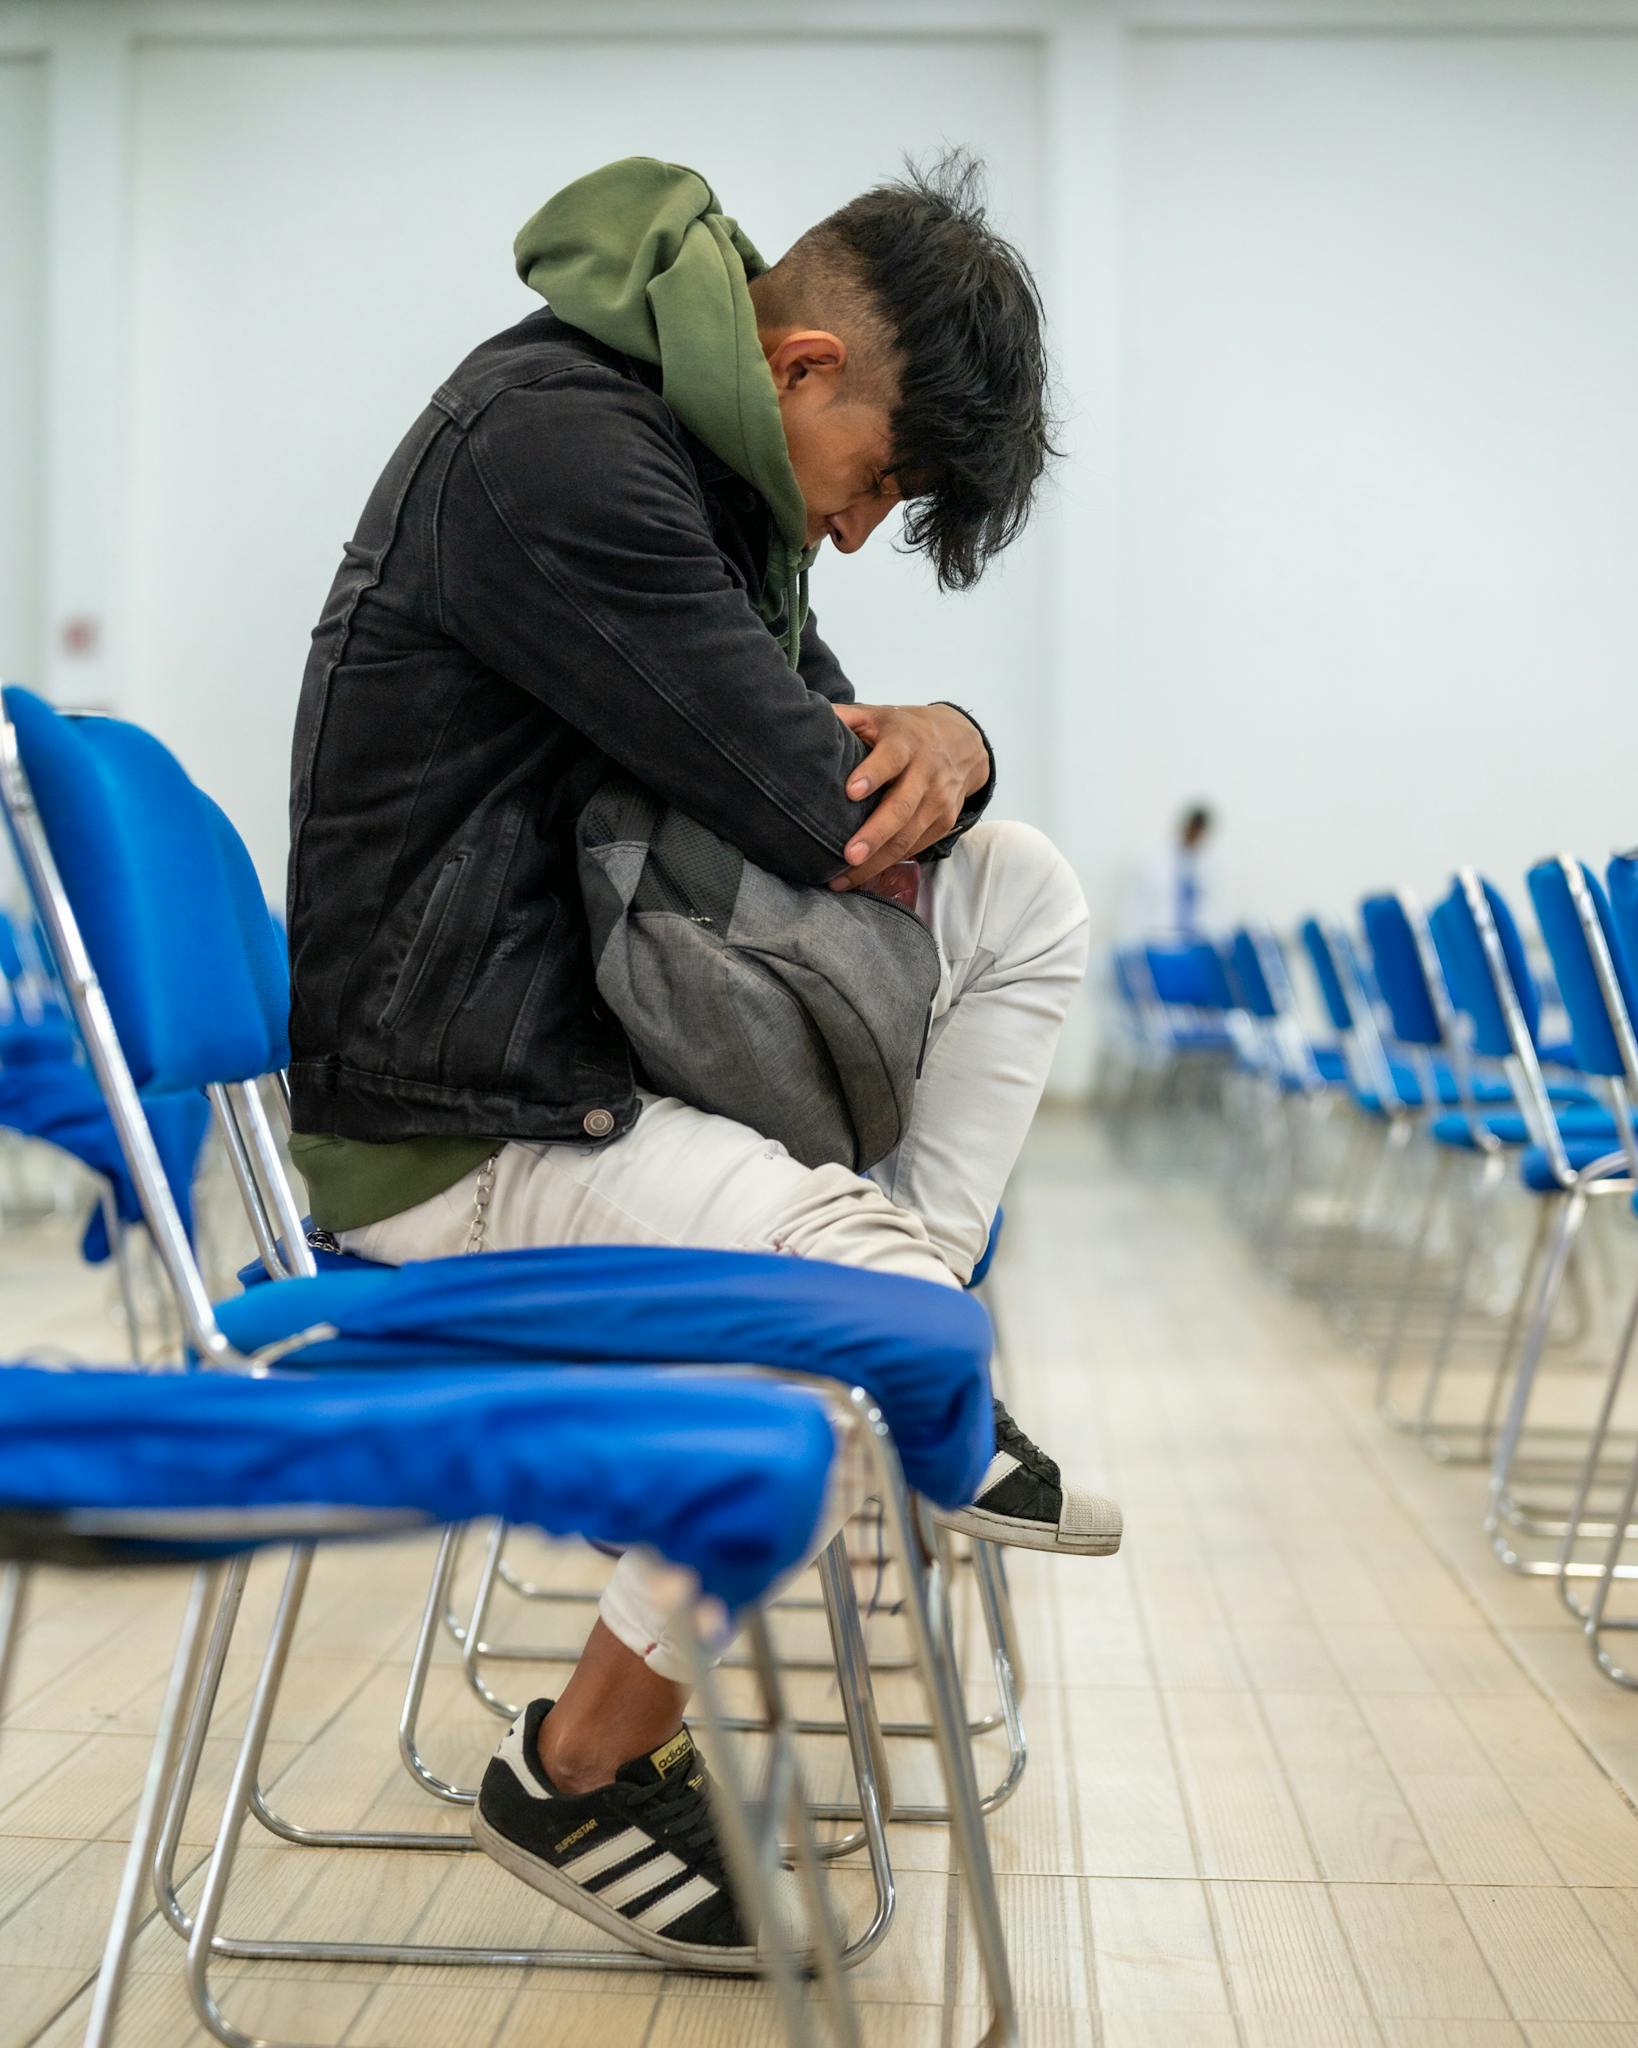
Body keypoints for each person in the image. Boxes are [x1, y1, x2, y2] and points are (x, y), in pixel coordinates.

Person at [285, 151, 1118, 1968]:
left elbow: (849, 767)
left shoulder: (700, 463)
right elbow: (804, 794)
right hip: (462, 1124)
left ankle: (885, 1276)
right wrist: (921, 751)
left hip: (585, 1071)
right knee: (850, 1340)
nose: (854, 534)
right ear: (804, 365)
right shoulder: (562, 451)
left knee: (1021, 893)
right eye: (880, 483)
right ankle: (576, 1767)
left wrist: (956, 739)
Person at [1122, 802, 1216, 941]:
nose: (1196, 835)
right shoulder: (1153, 861)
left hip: (1194, 942)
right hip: (1158, 940)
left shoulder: (1206, 866)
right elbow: (1134, 909)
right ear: (1186, 826)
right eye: (1193, 829)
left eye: (1200, 832)